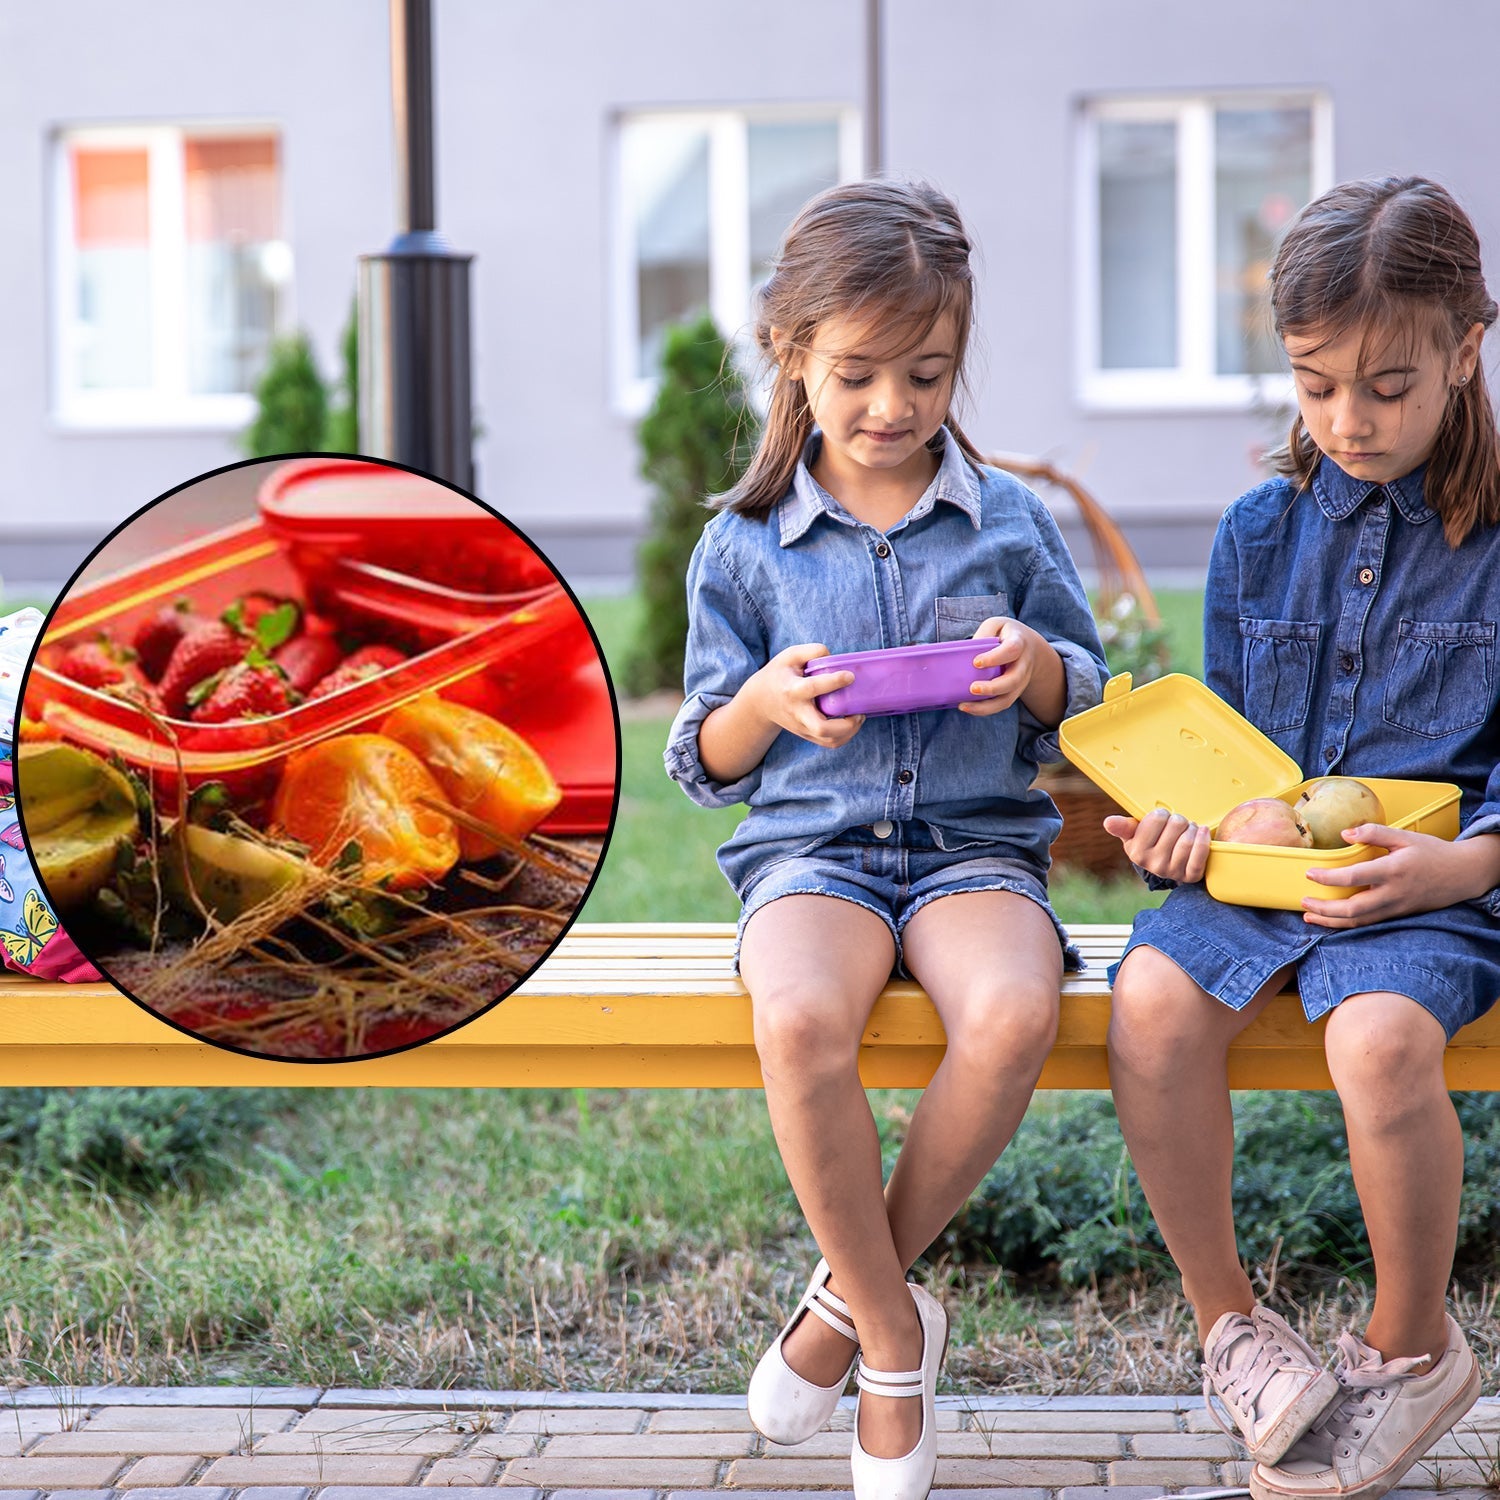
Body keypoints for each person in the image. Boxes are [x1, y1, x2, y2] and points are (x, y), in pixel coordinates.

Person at [665, 178, 1109, 1500]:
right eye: (856, 374)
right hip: (814, 855)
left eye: (927, 373)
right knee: (798, 1022)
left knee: (1015, 1013)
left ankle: (842, 1314)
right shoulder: (743, 547)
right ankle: (900, 1339)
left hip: (977, 849)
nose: (891, 407)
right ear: (788, 354)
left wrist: (1033, 666)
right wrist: (764, 702)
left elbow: (1087, 705)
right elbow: (700, 758)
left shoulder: (1010, 522)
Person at [1104, 175, 1499, 1500]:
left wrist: (1461, 862)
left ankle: (1411, 1349)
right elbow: (1227, 765)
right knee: (1151, 1005)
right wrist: (1194, 835)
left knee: (1379, 1041)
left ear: (1465, 349)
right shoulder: (1255, 534)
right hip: (1267, 876)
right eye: (1319, 385)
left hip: (1432, 884)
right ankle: (1234, 1333)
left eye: (1388, 386)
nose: (1350, 420)